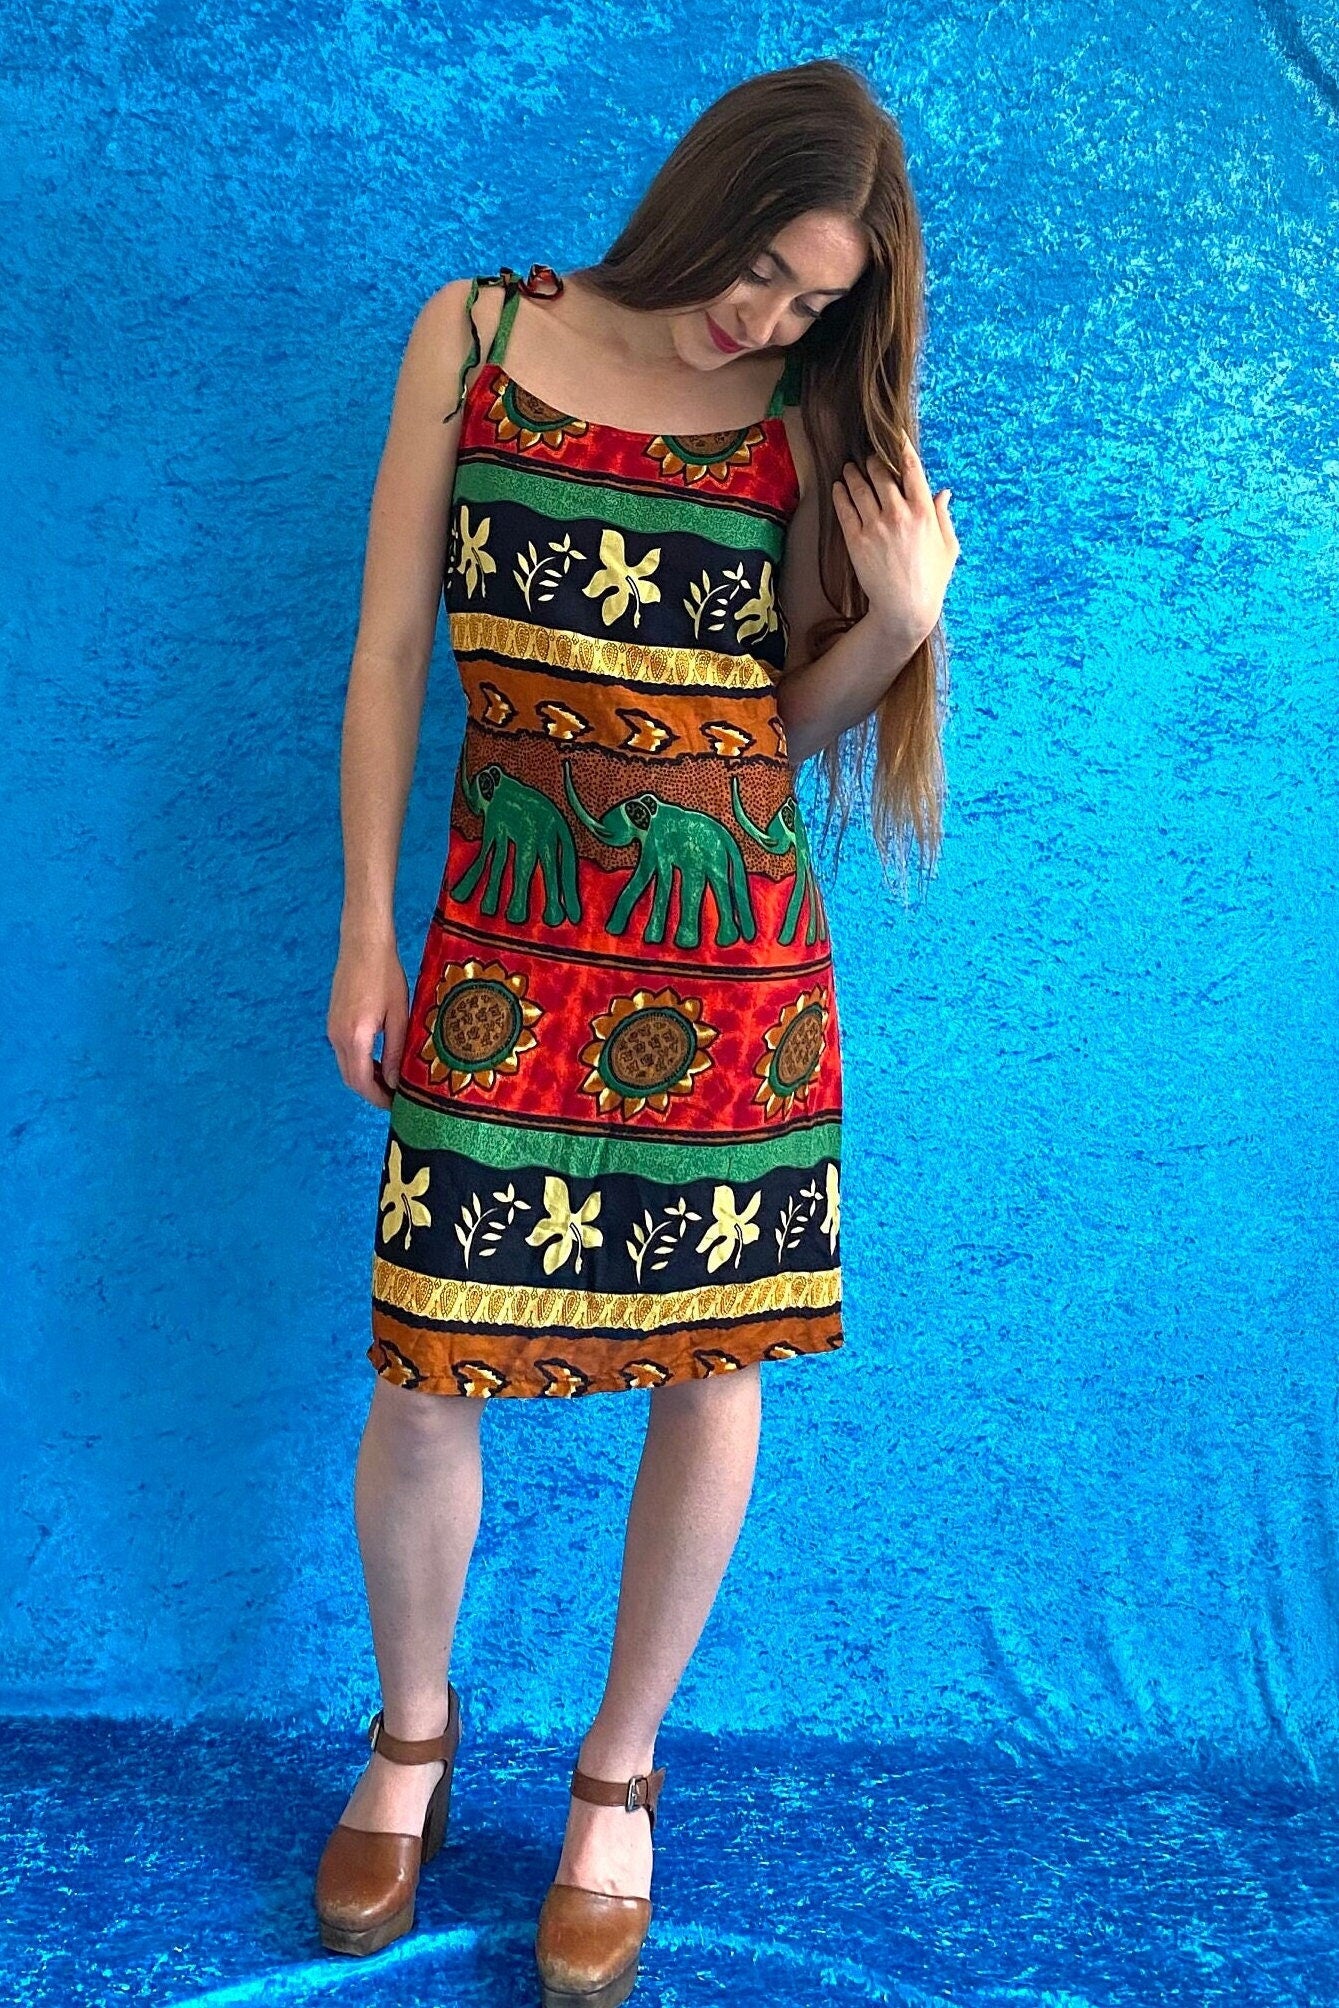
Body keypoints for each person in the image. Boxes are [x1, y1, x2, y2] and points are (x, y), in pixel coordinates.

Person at [316, 55, 957, 2008]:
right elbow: (391, 653)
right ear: (704, 199)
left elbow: (766, 730)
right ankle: (409, 1741)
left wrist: (896, 623)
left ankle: (615, 1778)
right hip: (499, 949)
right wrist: (366, 928)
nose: (766, 318)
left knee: (715, 1362)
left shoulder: (810, 421)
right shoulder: (478, 335)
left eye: (812, 302)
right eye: (760, 268)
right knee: (428, 1362)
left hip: (724, 973)